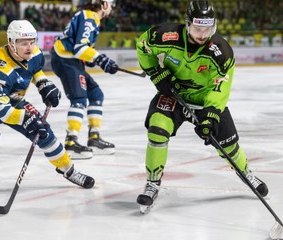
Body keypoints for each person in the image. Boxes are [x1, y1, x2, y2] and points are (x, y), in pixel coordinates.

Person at [135, 0, 268, 213]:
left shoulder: (221, 52)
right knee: (157, 130)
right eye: (198, 28)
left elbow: (220, 87)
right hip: (174, 96)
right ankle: (152, 183)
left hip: (205, 102)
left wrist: (211, 115)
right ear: (187, 24)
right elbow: (143, 45)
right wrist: (155, 73)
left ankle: (247, 174)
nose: (202, 33)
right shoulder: (164, 36)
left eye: (208, 28)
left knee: (228, 147)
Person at [0, 20, 95, 189]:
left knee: (44, 133)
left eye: (32, 42)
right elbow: (2, 111)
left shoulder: (34, 53)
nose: (30, 47)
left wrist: (43, 84)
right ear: (11, 43)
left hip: (12, 99)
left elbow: (33, 69)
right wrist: (27, 119)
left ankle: (68, 170)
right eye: (24, 43)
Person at [50, 0, 118, 160]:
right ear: (104, 4)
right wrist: (102, 60)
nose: (112, 7)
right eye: (111, 3)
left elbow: (82, 50)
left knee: (95, 94)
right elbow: (80, 48)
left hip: (70, 59)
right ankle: (71, 142)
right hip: (66, 58)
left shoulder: (89, 16)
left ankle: (94, 138)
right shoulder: (90, 17)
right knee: (79, 98)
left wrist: (93, 59)